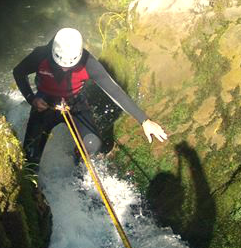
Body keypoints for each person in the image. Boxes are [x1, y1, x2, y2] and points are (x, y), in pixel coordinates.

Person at [12, 27, 168, 168]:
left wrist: (144, 120)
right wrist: (31, 99)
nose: (65, 69)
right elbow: (18, 72)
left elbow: (114, 90)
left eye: (69, 65)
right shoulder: (41, 55)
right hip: (44, 103)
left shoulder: (88, 63)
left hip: (74, 104)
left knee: (93, 144)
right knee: (30, 159)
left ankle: (77, 164)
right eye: (61, 65)